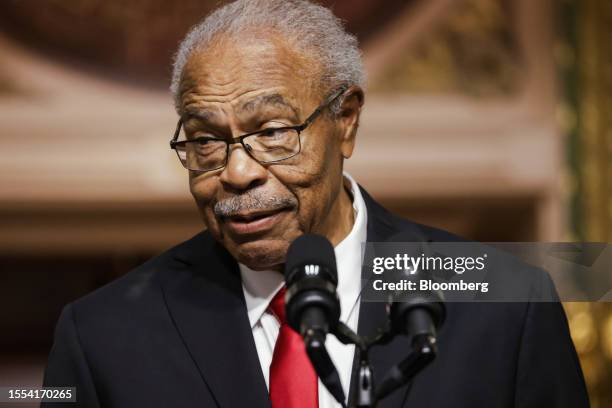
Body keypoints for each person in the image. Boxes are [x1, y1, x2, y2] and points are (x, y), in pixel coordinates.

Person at [42, 1, 589, 407]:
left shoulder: (506, 304)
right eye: (205, 141)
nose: (236, 173)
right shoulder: (105, 335)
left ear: (345, 121)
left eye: (274, 131)